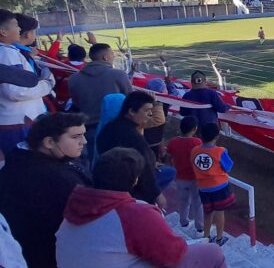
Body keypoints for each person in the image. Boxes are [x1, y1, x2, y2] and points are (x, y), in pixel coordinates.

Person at [56, 147, 226, 268]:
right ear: (135, 180)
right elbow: (173, 255)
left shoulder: (75, 206)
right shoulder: (135, 213)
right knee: (213, 252)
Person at [0, 113, 90, 268]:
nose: (84, 141)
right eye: (76, 137)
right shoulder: (52, 178)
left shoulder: (22, 159)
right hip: (49, 256)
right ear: (49, 142)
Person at [97, 91, 175, 206]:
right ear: (132, 111)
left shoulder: (109, 128)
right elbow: (145, 169)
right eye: (147, 110)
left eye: (151, 110)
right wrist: (157, 195)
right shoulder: (131, 136)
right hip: (131, 188)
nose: (150, 114)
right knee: (170, 172)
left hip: (116, 184)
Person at [0, 9, 55, 159]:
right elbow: (16, 91)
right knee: (25, 166)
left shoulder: (9, 51)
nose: (19, 29)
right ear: (3, 31)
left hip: (14, 121)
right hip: (16, 123)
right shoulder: (6, 53)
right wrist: (47, 85)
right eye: (16, 25)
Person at [68, 43, 132, 159]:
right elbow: (130, 100)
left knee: (96, 163)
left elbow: (76, 103)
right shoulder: (118, 75)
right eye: (112, 54)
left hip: (89, 129)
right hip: (116, 129)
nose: (113, 57)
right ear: (105, 58)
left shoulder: (74, 79)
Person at [192, 122, 236, 246]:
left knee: (207, 212)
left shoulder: (194, 150)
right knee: (219, 212)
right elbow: (228, 168)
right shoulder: (220, 151)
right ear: (217, 136)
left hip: (203, 189)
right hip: (219, 188)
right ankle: (219, 238)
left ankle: (206, 236)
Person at [167, 116, 204, 232]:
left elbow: (169, 157)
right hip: (195, 178)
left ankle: (183, 221)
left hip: (180, 177)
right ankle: (200, 227)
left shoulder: (173, 142)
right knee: (197, 203)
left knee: (183, 201)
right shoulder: (198, 142)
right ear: (194, 129)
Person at [143, 78, 169, 160]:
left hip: (151, 140)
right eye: (165, 88)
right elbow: (160, 120)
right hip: (151, 141)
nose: (166, 90)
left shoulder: (142, 102)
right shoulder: (161, 104)